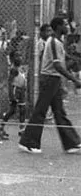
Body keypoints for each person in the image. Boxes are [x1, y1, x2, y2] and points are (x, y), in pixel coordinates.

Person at [18, 17, 81, 154]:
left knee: (59, 112)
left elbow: (64, 60)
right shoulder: (53, 42)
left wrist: (75, 61)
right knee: (40, 110)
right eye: (64, 24)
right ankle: (28, 142)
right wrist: (74, 80)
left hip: (55, 80)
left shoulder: (58, 42)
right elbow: (57, 65)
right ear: (58, 27)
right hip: (49, 79)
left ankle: (72, 143)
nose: (67, 26)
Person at [2, 48, 28, 135]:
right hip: (15, 90)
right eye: (17, 56)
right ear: (12, 58)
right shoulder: (13, 69)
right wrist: (11, 95)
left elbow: (23, 78)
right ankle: (2, 125)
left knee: (23, 109)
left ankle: (22, 129)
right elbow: (9, 82)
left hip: (22, 90)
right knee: (12, 110)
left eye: (20, 55)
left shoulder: (22, 68)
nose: (19, 58)